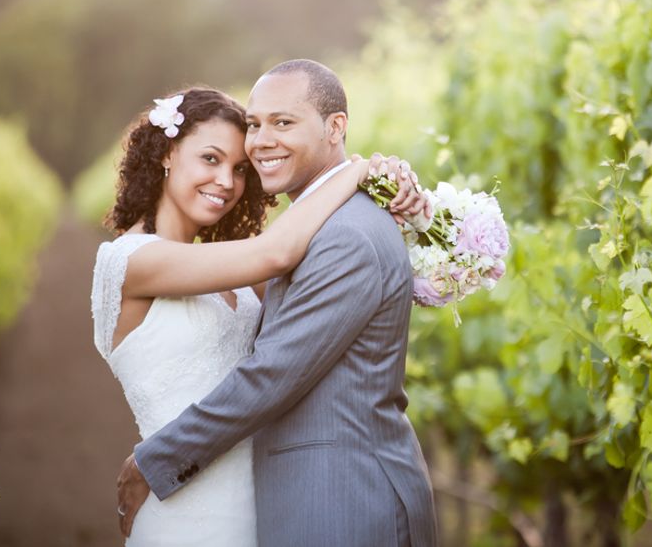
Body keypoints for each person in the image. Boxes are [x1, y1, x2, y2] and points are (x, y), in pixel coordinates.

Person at [116, 60, 439, 547]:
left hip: (342, 501)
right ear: (167, 156)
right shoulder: (314, 231)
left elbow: (272, 373)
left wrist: (153, 460)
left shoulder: (345, 236)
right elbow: (272, 257)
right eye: (255, 124)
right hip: (271, 498)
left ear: (336, 128)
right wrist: (360, 171)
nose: (261, 141)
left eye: (282, 123)